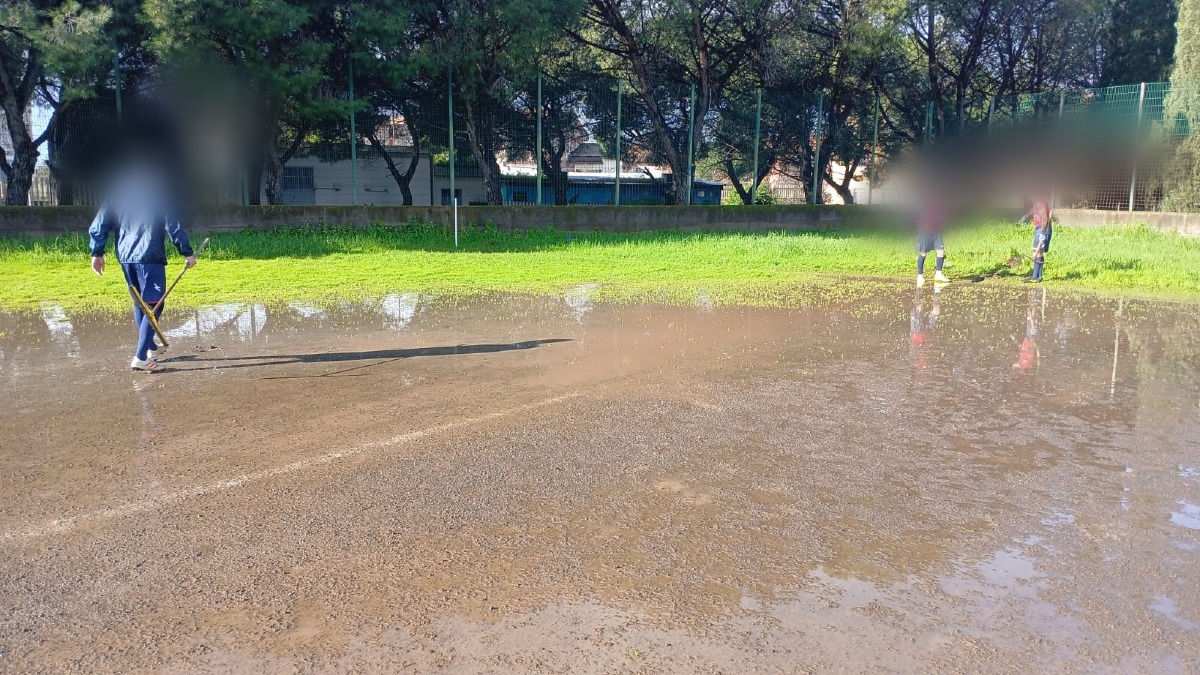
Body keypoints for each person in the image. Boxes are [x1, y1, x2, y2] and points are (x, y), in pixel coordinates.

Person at [89, 140, 195, 372]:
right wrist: (187, 252)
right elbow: (173, 224)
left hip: (126, 256)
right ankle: (140, 357)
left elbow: (100, 222)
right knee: (154, 305)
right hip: (150, 256)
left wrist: (97, 252)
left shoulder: (119, 189)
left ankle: (150, 348)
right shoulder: (160, 188)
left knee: (140, 304)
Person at [915, 192, 950, 287]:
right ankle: (920, 275)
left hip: (937, 232)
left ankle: (938, 275)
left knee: (941, 252)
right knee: (923, 253)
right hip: (925, 232)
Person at [1023, 194, 1052, 283]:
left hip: (1042, 229)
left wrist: (1043, 232)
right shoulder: (1039, 201)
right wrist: (1026, 216)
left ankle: (1035, 277)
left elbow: (1045, 218)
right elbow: (1035, 211)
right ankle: (1039, 276)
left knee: (1037, 253)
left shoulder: (1039, 202)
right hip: (1042, 228)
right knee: (1040, 253)